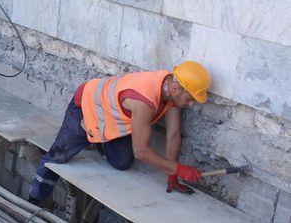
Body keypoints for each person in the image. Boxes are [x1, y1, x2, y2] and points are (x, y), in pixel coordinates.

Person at [29, 61, 211, 204]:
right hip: (87, 106)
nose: (191, 104)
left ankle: (98, 140)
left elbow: (173, 134)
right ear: (177, 88)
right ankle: (35, 198)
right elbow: (141, 151)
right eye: (190, 99)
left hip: (109, 120)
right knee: (58, 156)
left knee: (123, 162)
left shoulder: (171, 93)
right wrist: (178, 168)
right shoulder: (144, 100)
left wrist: (172, 174)